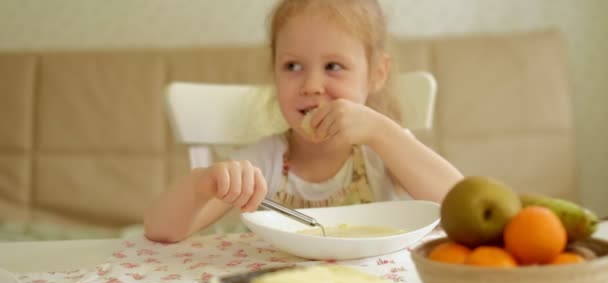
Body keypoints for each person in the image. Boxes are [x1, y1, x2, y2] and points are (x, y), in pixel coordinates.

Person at [144, 0, 463, 242]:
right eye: (293, 66)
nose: (311, 85)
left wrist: (382, 130)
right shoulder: (265, 161)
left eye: (334, 66)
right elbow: (161, 232)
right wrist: (203, 184)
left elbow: (459, 208)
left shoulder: (381, 150)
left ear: (377, 74)